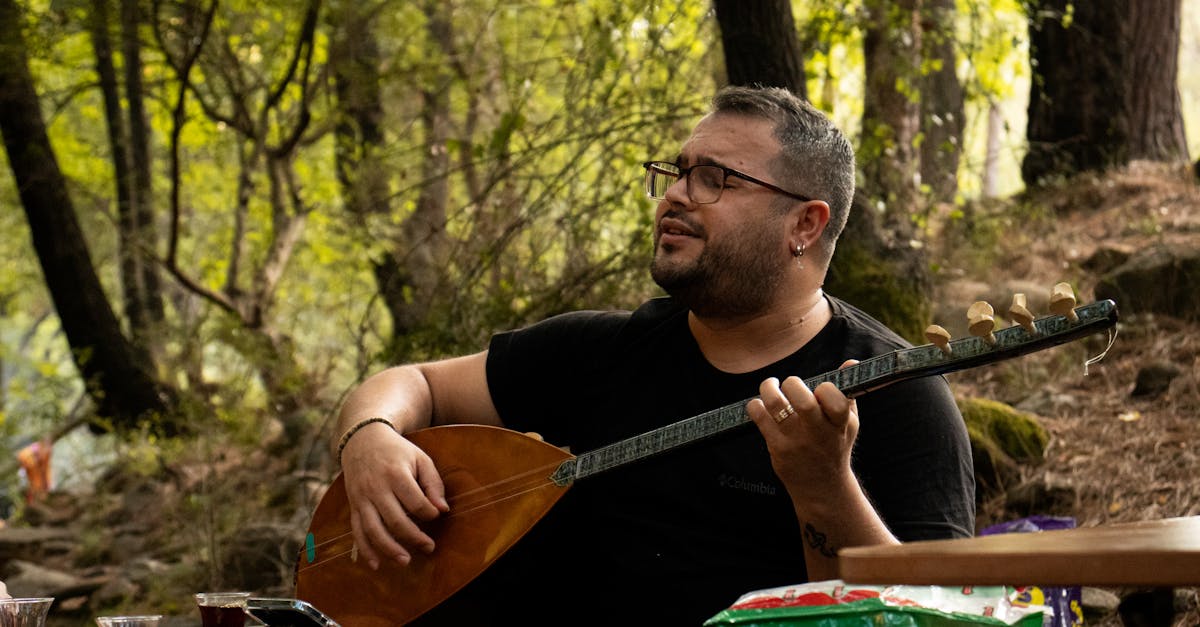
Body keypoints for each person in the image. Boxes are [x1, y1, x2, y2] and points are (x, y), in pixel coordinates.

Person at [333, 85, 975, 624]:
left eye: (715, 179)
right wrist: (369, 438)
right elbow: (411, 383)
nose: (675, 194)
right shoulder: (597, 352)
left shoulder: (895, 393)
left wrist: (823, 485)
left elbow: (929, 617)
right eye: (677, 172)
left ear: (805, 225)